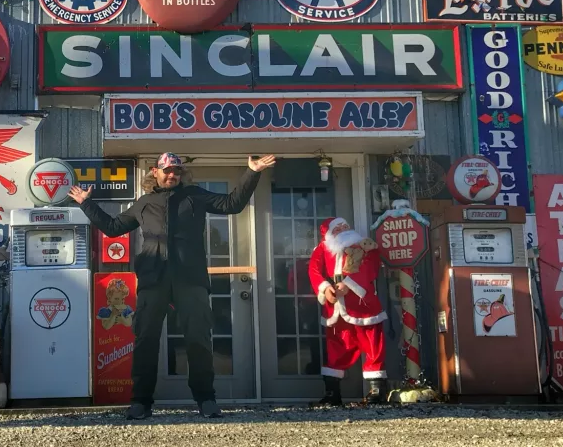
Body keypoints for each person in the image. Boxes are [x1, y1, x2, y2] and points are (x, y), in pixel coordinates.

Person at [68, 152, 276, 420]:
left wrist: (252, 172)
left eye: (176, 171)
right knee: (145, 341)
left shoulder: (195, 196)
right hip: (154, 281)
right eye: (166, 170)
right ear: (155, 172)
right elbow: (112, 227)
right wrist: (87, 204)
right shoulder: (144, 203)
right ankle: (141, 401)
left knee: (199, 340)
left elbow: (232, 204)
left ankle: (206, 399)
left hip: (191, 280)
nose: (171, 175)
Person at [307, 217, 388, 406]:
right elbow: (314, 270)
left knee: (372, 344)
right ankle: (332, 393)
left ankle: (376, 391)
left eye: (345, 226)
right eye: (338, 228)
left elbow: (371, 267)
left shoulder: (365, 245)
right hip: (335, 303)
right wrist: (325, 288)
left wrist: (349, 284)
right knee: (337, 346)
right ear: (328, 234)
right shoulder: (322, 249)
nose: (344, 229)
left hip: (361, 302)